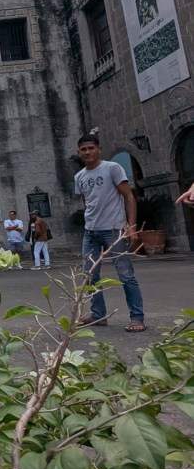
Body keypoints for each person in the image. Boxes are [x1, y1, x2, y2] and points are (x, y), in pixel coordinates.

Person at [75, 133, 145, 331]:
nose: (87, 152)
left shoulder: (112, 168)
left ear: (99, 149)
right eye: (83, 149)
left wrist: (131, 226)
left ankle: (137, 318)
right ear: (78, 152)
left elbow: (128, 196)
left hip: (114, 230)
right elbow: (87, 202)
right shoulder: (79, 176)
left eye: (91, 148)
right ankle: (98, 315)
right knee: (90, 275)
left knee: (125, 275)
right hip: (90, 233)